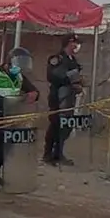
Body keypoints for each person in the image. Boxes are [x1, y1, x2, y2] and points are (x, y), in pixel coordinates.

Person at [0, 47, 39, 192]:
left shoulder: (19, 76)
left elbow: (32, 89)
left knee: (7, 148)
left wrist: (34, 94)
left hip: (12, 117)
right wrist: (4, 102)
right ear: (8, 62)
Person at [43, 34, 84, 166]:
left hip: (70, 97)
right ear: (69, 43)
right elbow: (53, 77)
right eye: (75, 43)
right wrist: (70, 82)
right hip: (57, 96)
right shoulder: (57, 59)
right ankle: (48, 154)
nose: (76, 46)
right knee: (55, 124)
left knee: (66, 125)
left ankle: (58, 153)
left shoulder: (73, 60)